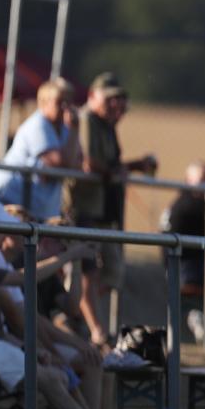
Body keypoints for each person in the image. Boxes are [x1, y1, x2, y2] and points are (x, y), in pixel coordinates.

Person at [0, 198, 95, 409]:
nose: (7, 232)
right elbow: (22, 282)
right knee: (52, 378)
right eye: (1, 225)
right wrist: (69, 256)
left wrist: (32, 349)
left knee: (58, 377)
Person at [63, 72, 157, 348]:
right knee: (89, 270)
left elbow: (107, 165)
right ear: (93, 96)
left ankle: (80, 314)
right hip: (83, 207)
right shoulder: (87, 120)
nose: (116, 105)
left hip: (102, 209)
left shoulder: (105, 124)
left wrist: (128, 167)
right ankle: (92, 327)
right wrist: (127, 169)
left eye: (120, 100)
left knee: (111, 272)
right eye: (111, 99)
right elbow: (91, 163)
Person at [0, 78, 80, 221]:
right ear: (43, 102)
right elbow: (61, 163)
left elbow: (78, 162)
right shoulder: (37, 125)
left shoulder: (65, 127)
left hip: (34, 207)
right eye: (60, 102)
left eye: (69, 101)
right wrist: (75, 130)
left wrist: (73, 131)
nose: (66, 107)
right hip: (7, 199)